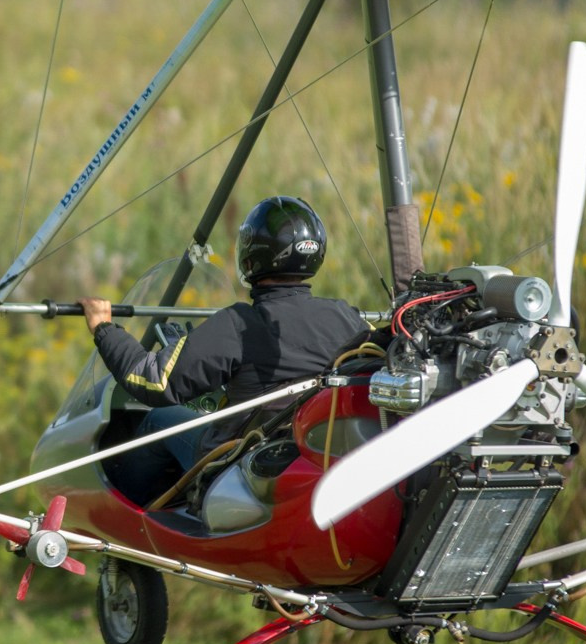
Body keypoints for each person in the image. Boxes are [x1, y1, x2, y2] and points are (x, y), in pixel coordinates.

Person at [80, 196, 370, 506]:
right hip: (315, 457)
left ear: (249, 259)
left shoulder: (239, 324)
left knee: (158, 418)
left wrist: (104, 329)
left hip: (239, 465)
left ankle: (141, 518)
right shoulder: (347, 317)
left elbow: (153, 380)